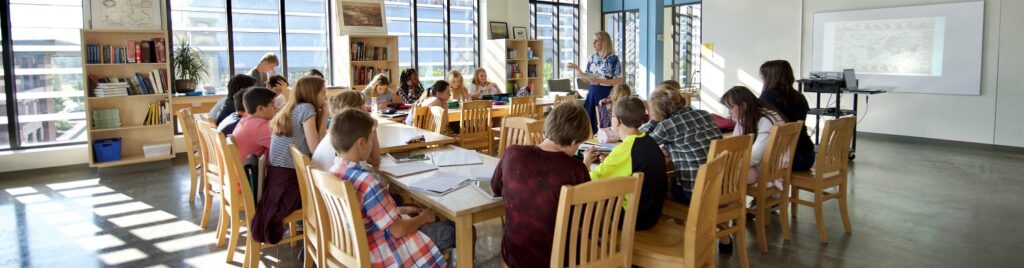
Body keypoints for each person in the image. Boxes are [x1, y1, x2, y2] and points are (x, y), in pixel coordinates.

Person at [328, 108, 451, 267]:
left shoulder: (334, 172)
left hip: (351, 248)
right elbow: (398, 230)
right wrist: (424, 218)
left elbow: (363, 214)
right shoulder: (369, 181)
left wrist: (403, 210)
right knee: (452, 230)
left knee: (417, 213)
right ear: (361, 143)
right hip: (379, 252)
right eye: (370, 140)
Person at [492, 103, 592, 268]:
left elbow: (494, 189)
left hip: (515, 254)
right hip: (555, 258)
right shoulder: (576, 169)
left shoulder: (512, 153)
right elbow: (585, 218)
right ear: (574, 141)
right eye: (578, 145)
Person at [251, 76, 330, 244]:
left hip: (277, 177)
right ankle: (327, 237)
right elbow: (316, 150)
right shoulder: (307, 109)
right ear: (313, 94)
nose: (326, 97)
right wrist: (324, 118)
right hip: (291, 181)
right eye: (323, 93)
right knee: (330, 192)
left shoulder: (292, 107)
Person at [583, 97, 667, 230]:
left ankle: (594, 240)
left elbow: (589, 179)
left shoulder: (626, 149)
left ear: (618, 120)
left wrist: (585, 163)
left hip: (634, 218)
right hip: (653, 213)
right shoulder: (649, 140)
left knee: (588, 194)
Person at [640, 85, 722, 205]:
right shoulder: (704, 114)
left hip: (696, 194)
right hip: (721, 187)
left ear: (657, 110)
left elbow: (639, 141)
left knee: (658, 190)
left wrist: (653, 120)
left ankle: (679, 222)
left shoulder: (667, 127)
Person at [721, 86, 786, 186]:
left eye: (731, 107)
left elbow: (756, 156)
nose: (729, 112)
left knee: (721, 177)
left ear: (743, 106)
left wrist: (729, 163)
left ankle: (731, 201)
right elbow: (735, 144)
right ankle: (730, 201)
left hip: (769, 169)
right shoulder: (748, 115)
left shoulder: (765, 120)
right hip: (764, 164)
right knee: (721, 173)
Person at [758, 60, 815, 171]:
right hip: (807, 155)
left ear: (770, 78)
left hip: (788, 157)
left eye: (764, 77)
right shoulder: (800, 97)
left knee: (748, 162)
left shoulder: (768, 96)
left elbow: (758, 123)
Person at [568, 31, 623, 134]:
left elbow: (619, 80)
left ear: (604, 42)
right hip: (592, 92)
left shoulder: (613, 59)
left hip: (606, 93)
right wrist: (577, 69)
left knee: (604, 122)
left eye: (596, 40)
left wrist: (600, 80)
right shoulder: (592, 58)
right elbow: (585, 79)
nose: (593, 43)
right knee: (588, 121)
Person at [312, 90, 380, 170]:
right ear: (356, 112)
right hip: (334, 181)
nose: (367, 111)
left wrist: (372, 129)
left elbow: (374, 161)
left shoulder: (340, 133)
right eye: (363, 105)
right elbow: (374, 161)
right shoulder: (349, 140)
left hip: (326, 180)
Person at [233, 87, 278, 158]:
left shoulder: (245, 119)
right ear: (261, 109)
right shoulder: (261, 127)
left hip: (240, 165)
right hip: (248, 168)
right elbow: (283, 146)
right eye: (272, 105)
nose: (275, 108)